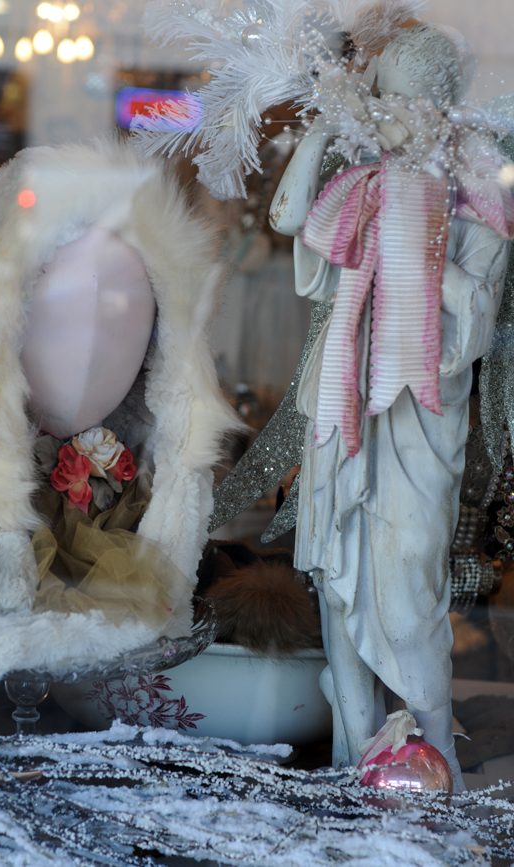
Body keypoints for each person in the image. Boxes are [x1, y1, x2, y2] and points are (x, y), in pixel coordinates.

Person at [269, 24, 514, 791]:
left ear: (446, 113)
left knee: (410, 596)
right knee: (339, 586)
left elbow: (474, 326)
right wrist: (321, 127)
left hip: (419, 423)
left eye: (420, 103)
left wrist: (417, 239)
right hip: (344, 415)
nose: (405, 117)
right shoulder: (360, 193)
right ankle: (354, 765)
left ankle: (437, 765)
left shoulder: (476, 211)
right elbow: (286, 218)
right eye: (391, 102)